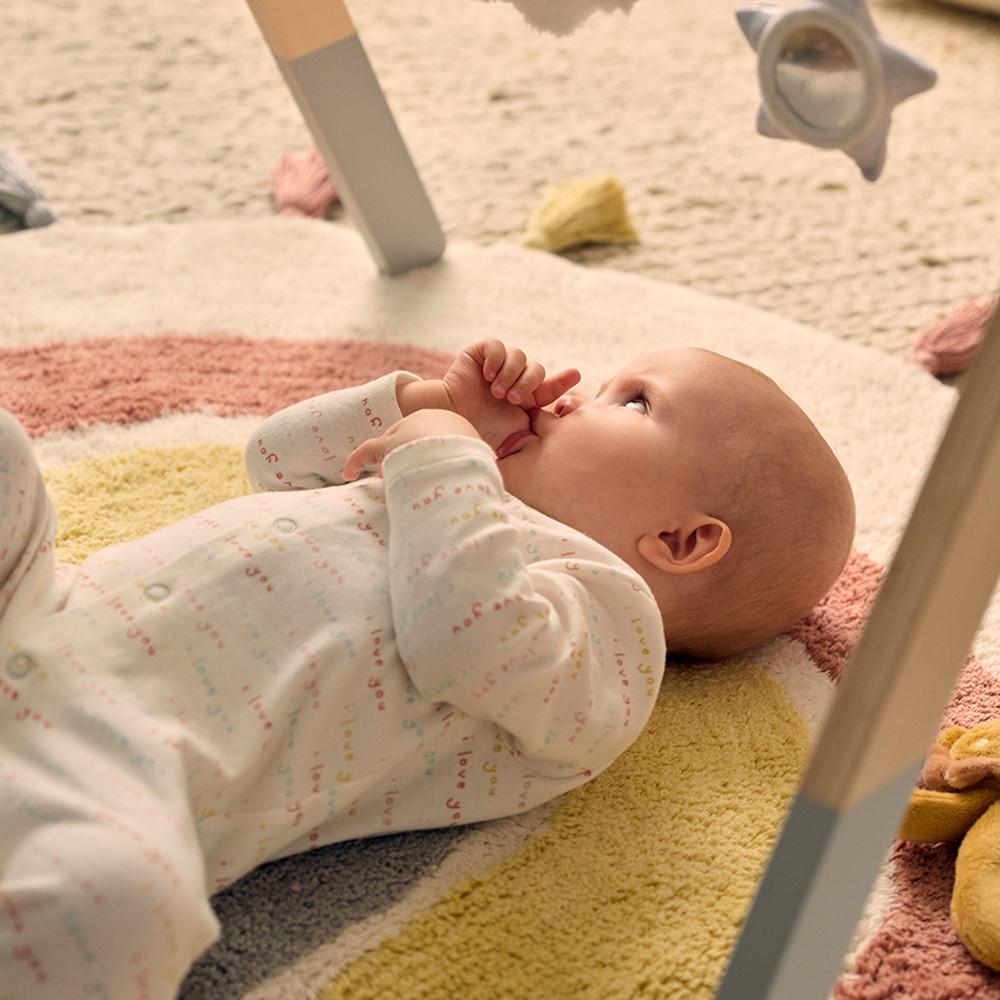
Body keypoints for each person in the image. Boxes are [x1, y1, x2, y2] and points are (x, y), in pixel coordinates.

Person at [0, 340, 854, 998]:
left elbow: (463, 638)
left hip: (121, 766)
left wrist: (445, 457)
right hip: (44, 611)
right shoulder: (442, 483)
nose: (568, 398)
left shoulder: (604, 621)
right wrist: (427, 405)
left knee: (112, 907)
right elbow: (272, 461)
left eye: (629, 402)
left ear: (681, 541)